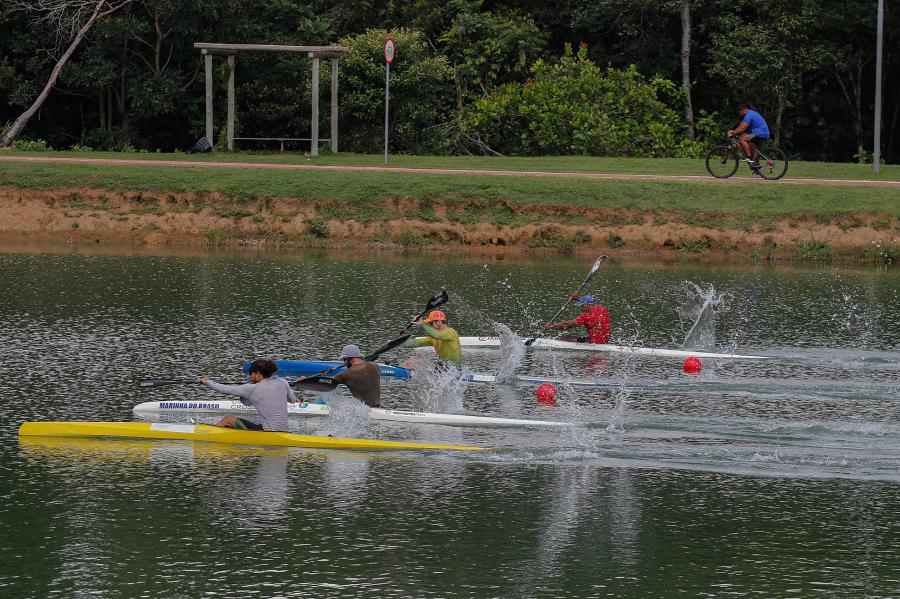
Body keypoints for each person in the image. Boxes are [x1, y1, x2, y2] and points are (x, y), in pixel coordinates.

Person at [198, 358, 291, 431]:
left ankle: (205, 435)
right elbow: (293, 399)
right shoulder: (283, 381)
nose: (250, 377)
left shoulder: (252, 388)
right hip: (284, 430)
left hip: (269, 432)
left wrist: (207, 382)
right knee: (234, 426)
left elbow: (224, 389)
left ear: (257, 374)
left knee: (228, 419)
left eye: (251, 374)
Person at [543, 293, 610, 344]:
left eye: (582, 305)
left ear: (587, 304)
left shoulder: (586, 316)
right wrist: (578, 298)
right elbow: (591, 300)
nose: (581, 308)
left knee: (564, 338)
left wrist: (552, 326)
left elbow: (567, 324)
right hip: (604, 341)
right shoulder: (602, 309)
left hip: (594, 343)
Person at [728, 104, 770, 171]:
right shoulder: (748, 115)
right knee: (752, 148)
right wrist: (734, 131)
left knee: (743, 138)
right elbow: (741, 126)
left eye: (739, 112)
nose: (739, 114)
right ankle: (756, 166)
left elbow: (743, 129)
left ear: (742, 110)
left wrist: (733, 133)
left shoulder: (749, 115)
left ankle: (748, 157)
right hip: (758, 132)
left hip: (760, 132)